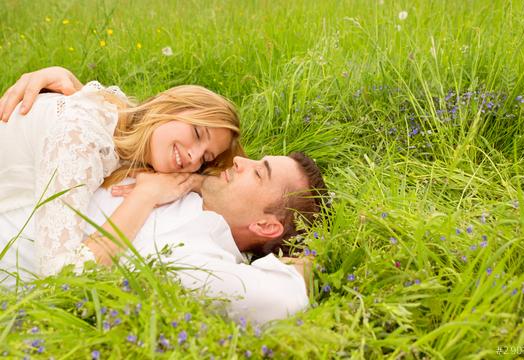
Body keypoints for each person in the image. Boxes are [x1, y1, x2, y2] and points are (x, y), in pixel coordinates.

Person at [1, 152, 327, 324]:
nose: (241, 161)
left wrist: (308, 259)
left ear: (265, 226)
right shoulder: (189, 169)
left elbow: (286, 298)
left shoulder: (198, 256)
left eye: (259, 172)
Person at [0, 67, 243, 276]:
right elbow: (59, 275)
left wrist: (194, 182)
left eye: (205, 159)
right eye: (198, 134)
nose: (193, 157)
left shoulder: (117, 119)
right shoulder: (80, 135)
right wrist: (145, 197)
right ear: (170, 108)